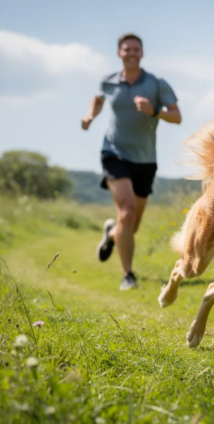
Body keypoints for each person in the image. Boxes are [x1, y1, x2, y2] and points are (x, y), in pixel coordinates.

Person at [81, 33, 181, 290]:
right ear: (119, 53)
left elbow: (177, 116)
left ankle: (112, 233)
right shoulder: (109, 82)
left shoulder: (156, 84)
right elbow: (98, 98)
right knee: (127, 210)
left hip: (145, 159)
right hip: (114, 152)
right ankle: (128, 276)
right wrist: (90, 116)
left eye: (136, 49)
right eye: (127, 49)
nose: (132, 53)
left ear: (142, 53)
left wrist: (154, 111)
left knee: (131, 225)